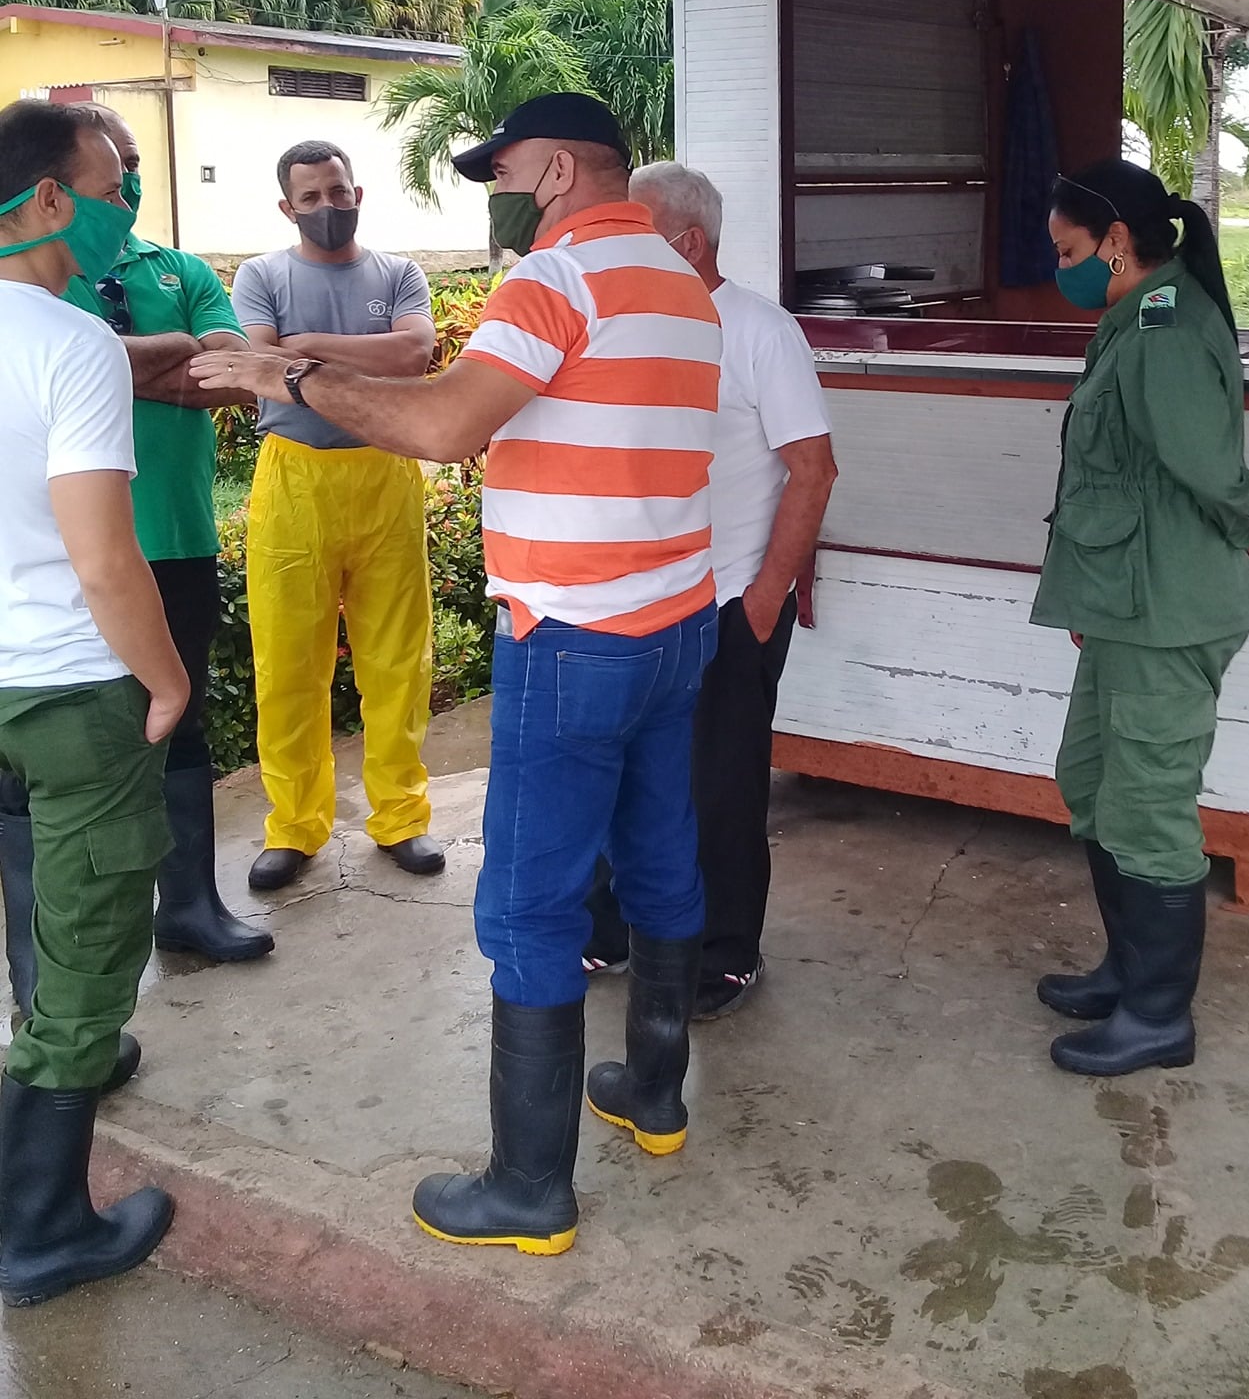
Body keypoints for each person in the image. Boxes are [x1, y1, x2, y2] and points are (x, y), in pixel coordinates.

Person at [192, 92, 722, 1258]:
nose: (507, 189)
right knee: (661, 853)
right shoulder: (682, 281)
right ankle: (656, 1091)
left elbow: (441, 424)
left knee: (529, 904)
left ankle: (529, 1188)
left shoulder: (556, 277)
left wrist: (285, 379)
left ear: (566, 166)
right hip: (677, 623)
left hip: (575, 633)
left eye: (514, 168)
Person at [1031, 158, 1249, 1079]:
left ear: (1115, 242)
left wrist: (1244, 521)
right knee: (1093, 780)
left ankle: (1157, 1015)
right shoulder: (1131, 317)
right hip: (1126, 600)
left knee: (1146, 808)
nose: (1057, 266)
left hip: (1168, 607)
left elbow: (1201, 460)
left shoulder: (1164, 328)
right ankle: (1127, 970)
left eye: (1068, 250)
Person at [0, 99, 187, 1306]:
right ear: (52, 200)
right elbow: (106, 558)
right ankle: (41, 1227)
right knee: (89, 936)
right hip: (66, 683)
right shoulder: (65, 343)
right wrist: (166, 676)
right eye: (112, 180)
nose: (125, 203)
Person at [585, 162, 837, 1020]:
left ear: (687, 241)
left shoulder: (761, 331)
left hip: (733, 600)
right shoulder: (629, 322)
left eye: (638, 227)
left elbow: (813, 470)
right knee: (624, 771)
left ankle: (728, 952)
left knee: (719, 785)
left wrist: (766, 598)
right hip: (642, 600)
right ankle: (614, 926)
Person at [59, 107, 269, 962]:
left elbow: (235, 371)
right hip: (74, 545)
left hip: (178, 536)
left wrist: (123, 358)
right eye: (115, 169)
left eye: (136, 163)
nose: (130, 182)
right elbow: (76, 359)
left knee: (181, 717)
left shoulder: (178, 266)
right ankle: (79, 952)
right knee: (79, 728)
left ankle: (189, 908)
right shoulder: (41, 274)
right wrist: (170, 354)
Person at [232, 141, 440, 890]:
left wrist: (307, 348)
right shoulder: (261, 275)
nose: (328, 207)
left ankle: (401, 816)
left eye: (337, 192)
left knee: (398, 662)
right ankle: (294, 826)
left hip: (385, 471)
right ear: (288, 208)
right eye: (310, 198)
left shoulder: (398, 272)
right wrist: (343, 361)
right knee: (288, 664)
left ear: (359, 192)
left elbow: (416, 354)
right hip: (294, 479)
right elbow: (262, 369)